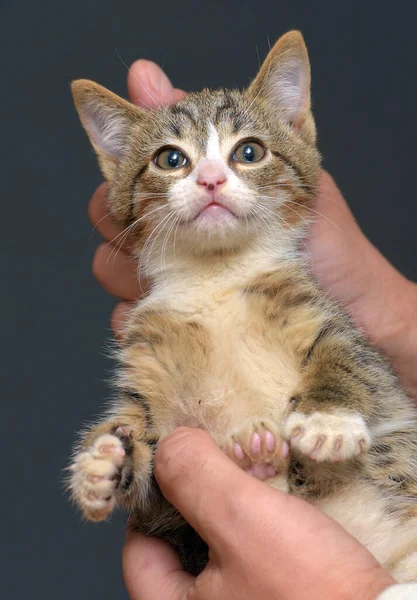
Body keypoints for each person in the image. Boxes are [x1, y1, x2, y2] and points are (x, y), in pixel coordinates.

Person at [88, 60, 417, 599]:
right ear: (124, 166)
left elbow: (339, 354)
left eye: (248, 152)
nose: (212, 178)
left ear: (296, 134)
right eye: (173, 159)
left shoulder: (291, 287)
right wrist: (126, 464)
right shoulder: (156, 323)